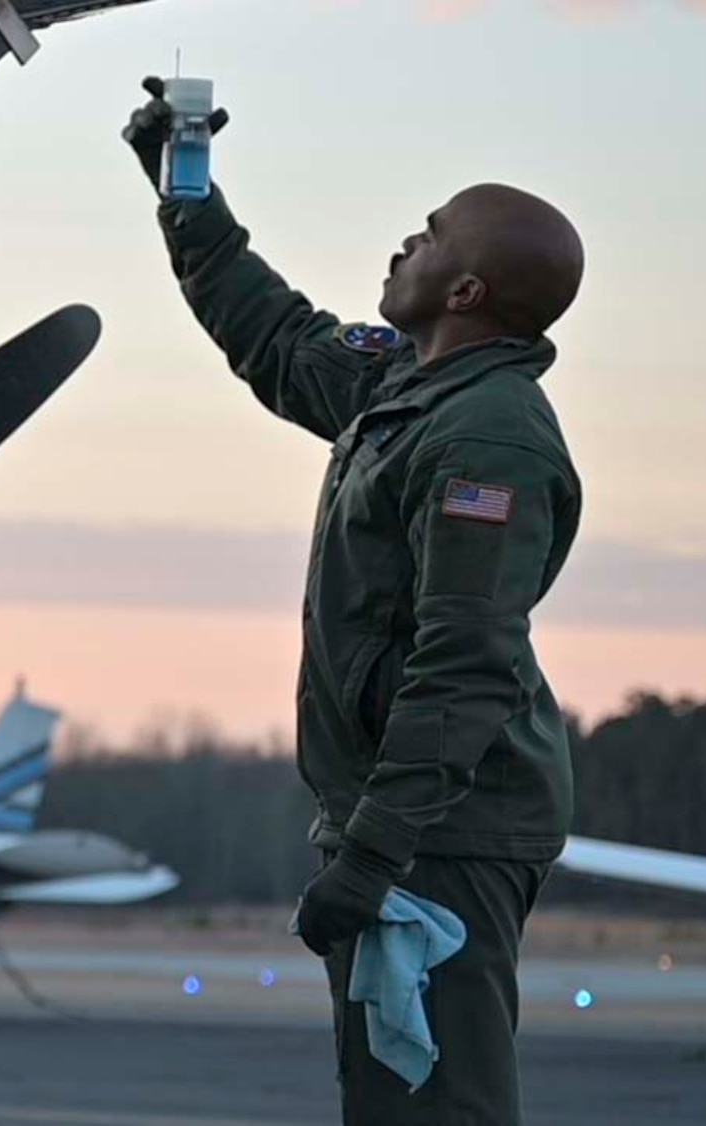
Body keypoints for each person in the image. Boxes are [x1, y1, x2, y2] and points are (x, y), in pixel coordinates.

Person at [124, 78, 585, 1125]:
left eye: (425, 238)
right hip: (406, 821)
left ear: (463, 292)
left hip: (444, 829)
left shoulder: (488, 437)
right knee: (391, 1101)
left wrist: (374, 855)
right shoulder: (406, 386)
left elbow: (464, 661)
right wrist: (186, 198)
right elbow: (276, 339)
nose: (400, 246)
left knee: (436, 1105)